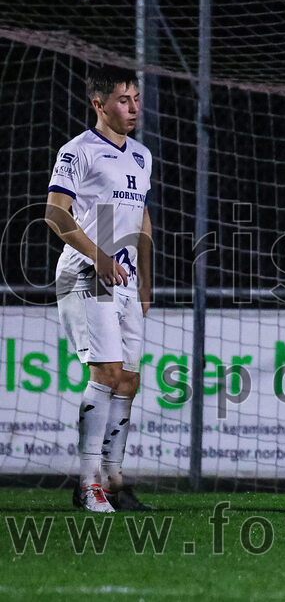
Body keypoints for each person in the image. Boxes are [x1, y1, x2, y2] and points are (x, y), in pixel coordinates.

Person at [45, 65, 154, 513]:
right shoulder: (79, 151)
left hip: (125, 277)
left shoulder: (143, 155)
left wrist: (147, 279)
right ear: (99, 104)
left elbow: (143, 219)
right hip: (88, 271)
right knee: (105, 374)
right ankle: (87, 484)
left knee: (129, 379)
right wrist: (99, 257)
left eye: (136, 99)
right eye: (124, 100)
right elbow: (55, 213)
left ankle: (114, 483)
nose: (133, 108)